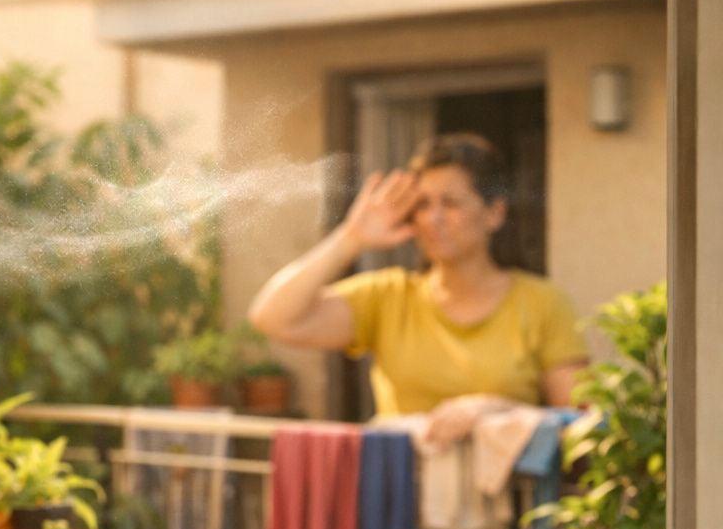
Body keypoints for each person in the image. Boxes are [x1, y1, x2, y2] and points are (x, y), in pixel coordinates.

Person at [248, 133, 589, 439]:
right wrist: (350, 239)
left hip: (508, 503)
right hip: (400, 499)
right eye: (423, 205)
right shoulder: (388, 297)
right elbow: (273, 318)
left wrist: (499, 410)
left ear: (494, 214)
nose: (432, 218)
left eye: (450, 203)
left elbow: (579, 419)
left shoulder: (543, 303)